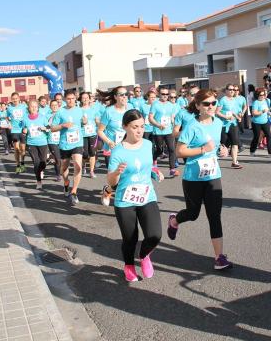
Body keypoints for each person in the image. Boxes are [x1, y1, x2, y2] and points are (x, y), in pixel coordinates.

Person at [168, 89, 233, 270]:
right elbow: (180, 151)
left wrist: (223, 150)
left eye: (214, 103)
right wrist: (203, 149)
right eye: (207, 104)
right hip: (193, 178)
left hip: (213, 175)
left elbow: (217, 145)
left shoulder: (218, 123)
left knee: (214, 216)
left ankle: (219, 257)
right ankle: (174, 220)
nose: (211, 106)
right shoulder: (191, 126)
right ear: (198, 106)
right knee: (193, 213)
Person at [107, 109, 164, 282]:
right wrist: (117, 172)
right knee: (130, 238)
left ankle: (144, 255)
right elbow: (111, 181)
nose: (139, 130)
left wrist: (155, 172)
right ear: (125, 127)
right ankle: (129, 265)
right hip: (125, 201)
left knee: (155, 234)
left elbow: (147, 166)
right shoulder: (118, 151)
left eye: (141, 126)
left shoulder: (147, 144)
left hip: (147, 196)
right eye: (134, 127)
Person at [51, 90, 85, 205]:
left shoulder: (80, 110)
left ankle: (74, 192)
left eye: (72, 98)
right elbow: (52, 128)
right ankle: (66, 182)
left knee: (78, 165)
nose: (71, 101)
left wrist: (84, 122)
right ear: (65, 100)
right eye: (68, 99)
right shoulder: (60, 112)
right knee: (64, 168)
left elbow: (83, 122)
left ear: (75, 99)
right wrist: (62, 125)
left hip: (77, 143)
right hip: (65, 144)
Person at [98, 86, 130, 205]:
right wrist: (110, 142)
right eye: (121, 94)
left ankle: (124, 198)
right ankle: (108, 190)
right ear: (115, 97)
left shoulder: (131, 108)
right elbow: (100, 131)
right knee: (115, 178)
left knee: (127, 175)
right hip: (112, 149)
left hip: (128, 148)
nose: (124, 97)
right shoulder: (109, 111)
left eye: (126, 94)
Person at [149, 87, 178, 177]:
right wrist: (158, 125)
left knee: (172, 149)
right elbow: (150, 118)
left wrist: (175, 127)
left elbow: (172, 118)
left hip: (168, 130)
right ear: (159, 94)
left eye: (166, 94)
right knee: (159, 150)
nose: (165, 96)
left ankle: (172, 169)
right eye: (163, 94)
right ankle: (154, 160)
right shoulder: (155, 104)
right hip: (158, 131)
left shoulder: (171, 105)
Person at [22, 100, 50, 189]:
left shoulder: (42, 117)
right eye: (32, 106)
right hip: (31, 143)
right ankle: (38, 181)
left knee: (43, 163)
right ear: (29, 108)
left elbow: (49, 127)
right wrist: (24, 131)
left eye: (35, 106)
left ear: (38, 108)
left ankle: (41, 170)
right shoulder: (25, 118)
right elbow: (23, 130)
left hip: (42, 142)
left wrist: (45, 128)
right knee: (36, 162)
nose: (34, 108)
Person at [216, 84, 242, 169]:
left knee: (235, 143)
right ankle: (215, 157)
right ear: (226, 90)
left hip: (233, 124)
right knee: (223, 144)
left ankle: (234, 162)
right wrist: (225, 117)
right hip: (223, 125)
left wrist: (238, 117)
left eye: (233, 90)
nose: (232, 91)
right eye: (230, 89)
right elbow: (217, 112)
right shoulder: (223, 100)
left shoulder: (235, 100)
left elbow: (233, 111)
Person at [249, 88, 271, 156]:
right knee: (256, 137)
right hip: (256, 122)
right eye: (261, 95)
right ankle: (252, 151)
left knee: (269, 135)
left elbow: (268, 108)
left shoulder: (267, 100)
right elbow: (254, 113)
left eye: (264, 94)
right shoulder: (256, 102)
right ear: (257, 95)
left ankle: (270, 152)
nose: (263, 96)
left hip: (265, 121)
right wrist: (262, 111)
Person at [7, 93, 28, 173]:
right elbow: (7, 117)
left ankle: (22, 162)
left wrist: (26, 126)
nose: (15, 100)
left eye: (16, 98)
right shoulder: (9, 108)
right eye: (13, 98)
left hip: (22, 130)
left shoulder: (24, 107)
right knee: (16, 148)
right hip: (14, 130)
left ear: (19, 98)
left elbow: (27, 116)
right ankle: (18, 165)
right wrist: (9, 123)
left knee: (23, 149)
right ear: (11, 99)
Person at [80, 92, 98, 178]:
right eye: (83, 98)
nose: (85, 99)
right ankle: (83, 166)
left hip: (92, 134)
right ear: (81, 99)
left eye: (87, 97)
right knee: (85, 154)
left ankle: (91, 171)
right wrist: (82, 122)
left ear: (89, 99)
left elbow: (97, 120)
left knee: (92, 153)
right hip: (83, 134)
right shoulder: (79, 110)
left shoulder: (93, 109)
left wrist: (100, 125)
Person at [46, 99, 62, 181]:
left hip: (63, 139)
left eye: (56, 105)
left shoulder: (62, 114)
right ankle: (58, 174)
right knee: (57, 158)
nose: (54, 106)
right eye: (52, 105)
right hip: (52, 140)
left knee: (63, 159)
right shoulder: (47, 116)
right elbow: (45, 127)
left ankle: (61, 171)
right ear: (50, 107)